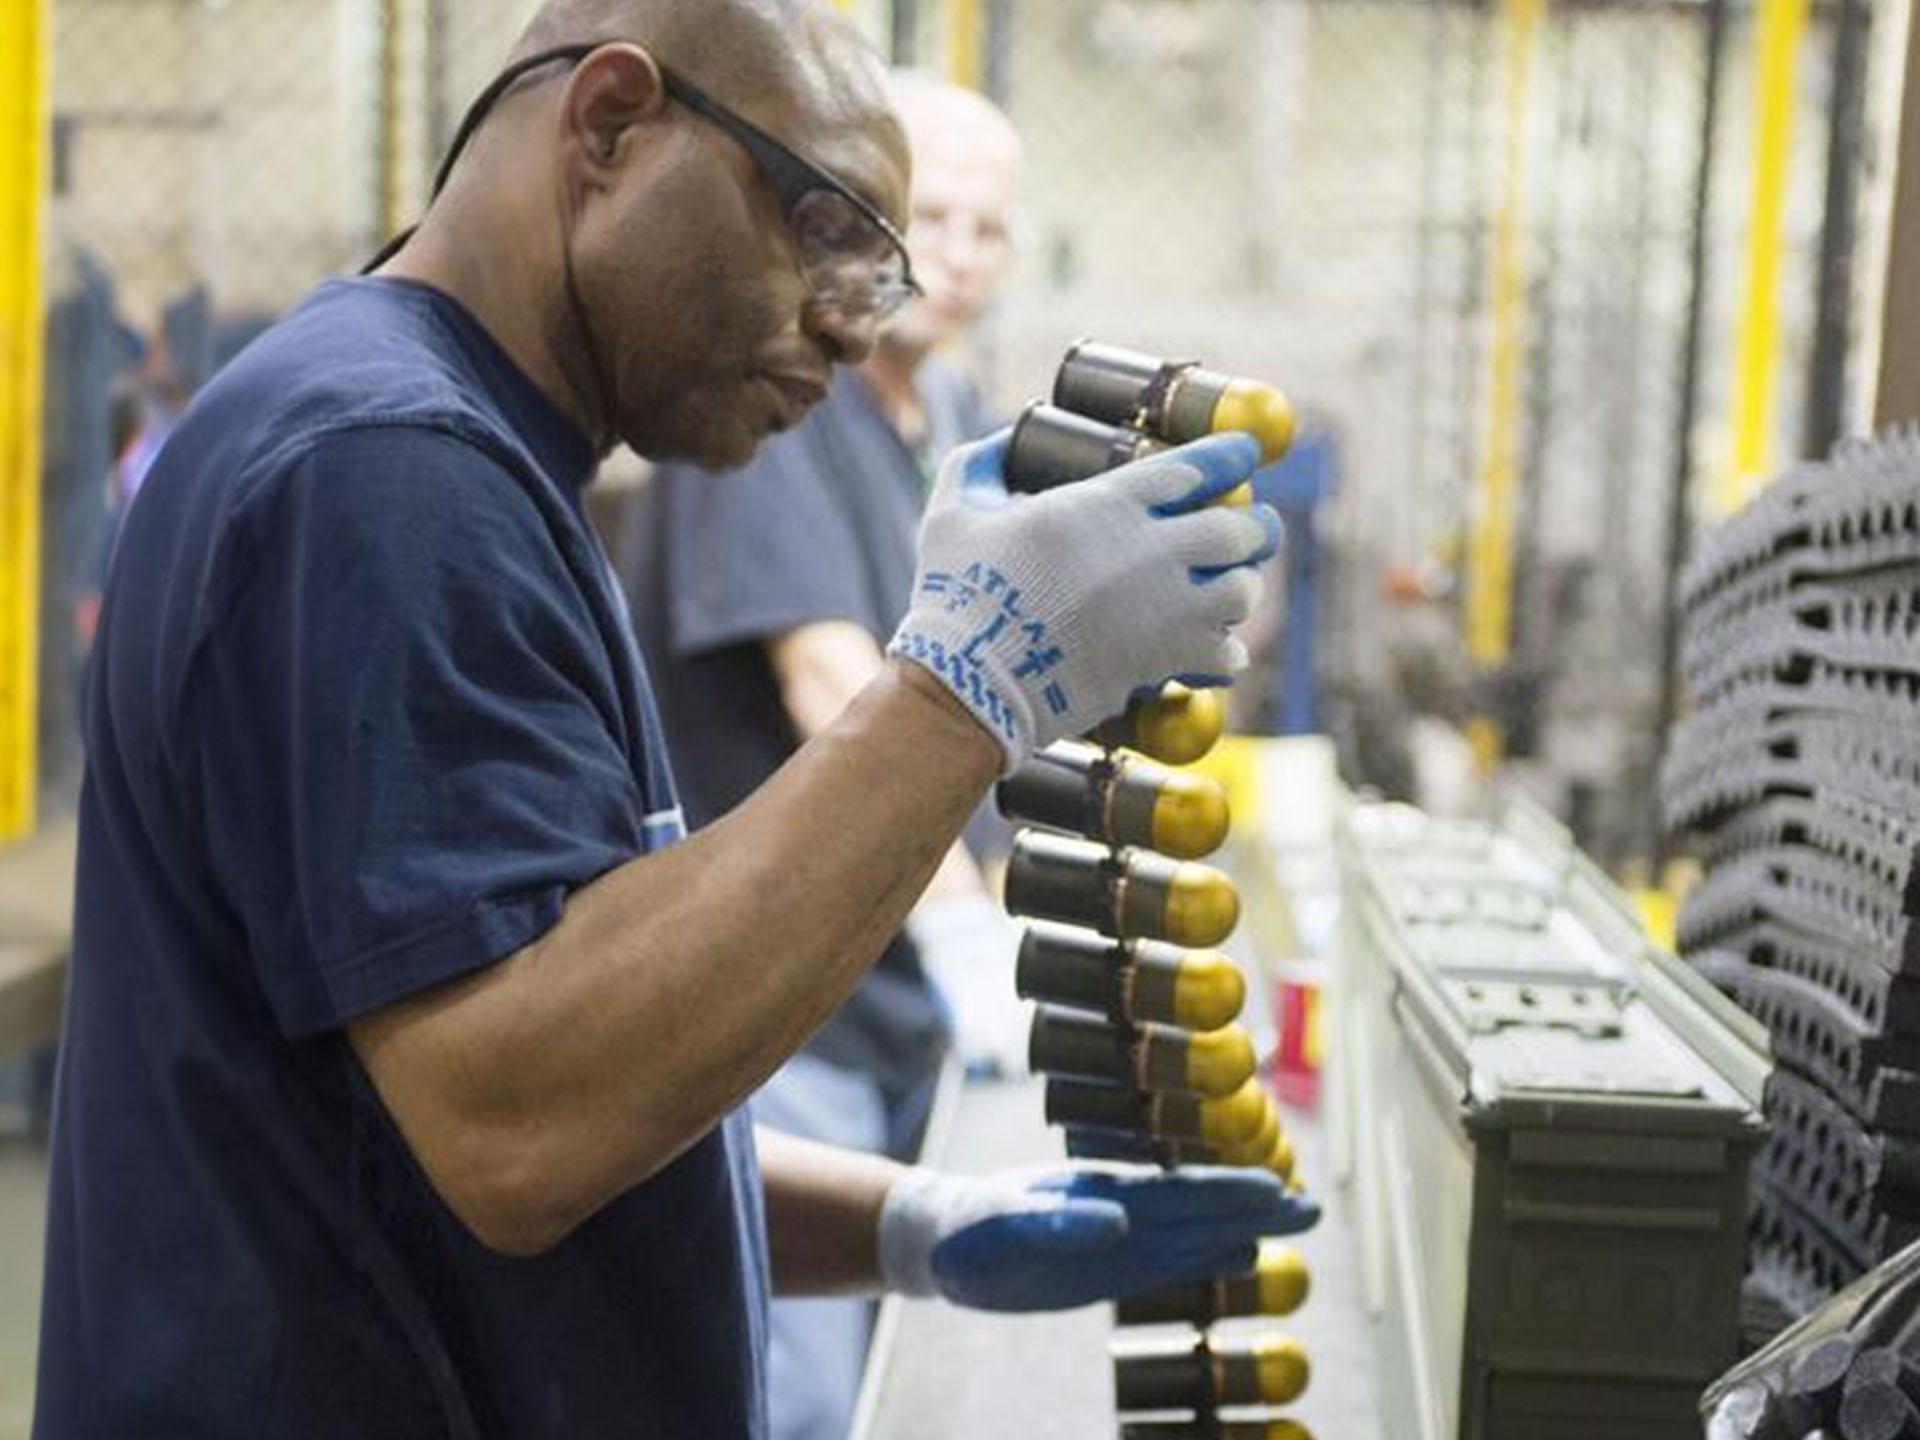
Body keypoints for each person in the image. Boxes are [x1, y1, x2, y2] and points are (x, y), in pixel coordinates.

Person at [33, 3, 1312, 1437]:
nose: (849, 324)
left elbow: (422, 1101)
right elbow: (514, 1124)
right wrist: (973, 683)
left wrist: (907, 1226)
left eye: (876, 275)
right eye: (820, 229)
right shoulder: (384, 474)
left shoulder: (464, 458)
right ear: (610, 125)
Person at [625, 71, 1026, 1439]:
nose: (955, 256)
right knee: (789, 1395)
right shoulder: (778, 406)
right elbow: (834, 685)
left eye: (987, 229)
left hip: (889, 992)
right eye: (932, 218)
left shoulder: (941, 422)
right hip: (783, 1016)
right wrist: (970, 942)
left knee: (877, 1373)